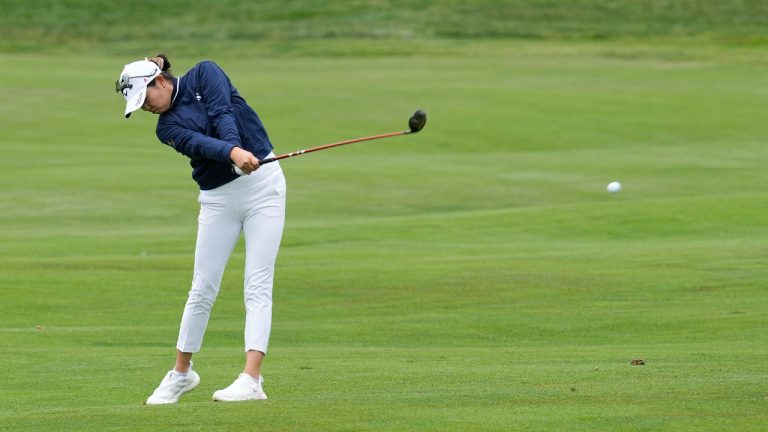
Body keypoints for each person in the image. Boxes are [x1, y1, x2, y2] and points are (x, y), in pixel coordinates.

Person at [115, 54, 286, 404]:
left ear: (159, 81)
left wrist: (237, 150)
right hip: (218, 200)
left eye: (145, 99)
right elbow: (201, 145)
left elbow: (223, 113)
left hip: (264, 188)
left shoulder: (205, 74)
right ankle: (181, 374)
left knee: (257, 283)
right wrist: (233, 154)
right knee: (202, 286)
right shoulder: (165, 129)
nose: (146, 108)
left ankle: (252, 379)